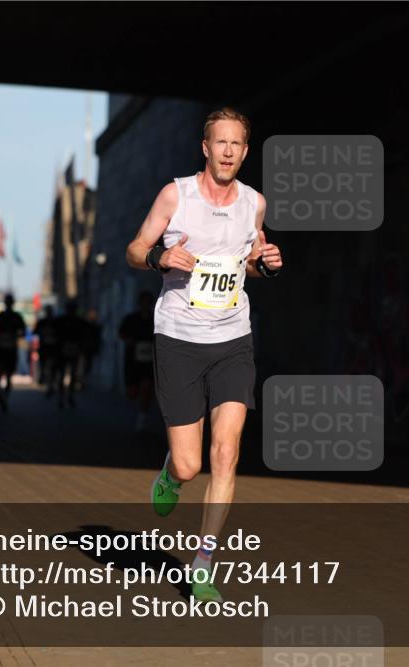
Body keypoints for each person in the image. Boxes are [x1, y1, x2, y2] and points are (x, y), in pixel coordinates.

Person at [125, 108, 282, 602]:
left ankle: (203, 564)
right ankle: (170, 475)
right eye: (221, 143)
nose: (229, 151)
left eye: (237, 144)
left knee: (227, 451)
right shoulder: (177, 195)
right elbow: (134, 248)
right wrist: (158, 257)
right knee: (192, 465)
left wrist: (267, 265)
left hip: (233, 338)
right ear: (205, 147)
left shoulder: (254, 204)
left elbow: (249, 265)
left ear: (245, 151)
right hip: (179, 338)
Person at [118, 290, 156, 431]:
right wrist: (128, 340)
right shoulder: (131, 319)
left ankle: (143, 415)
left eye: (148, 302)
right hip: (133, 359)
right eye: (143, 302)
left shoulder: (156, 318)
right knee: (132, 393)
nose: (146, 305)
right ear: (139, 303)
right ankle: (140, 405)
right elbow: (121, 332)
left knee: (147, 385)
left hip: (149, 360)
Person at [0, 294, 27, 412]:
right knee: (6, 374)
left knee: (4, 373)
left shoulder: (3, 316)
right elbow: (23, 331)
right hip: (6, 348)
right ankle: (3, 395)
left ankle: (1, 394)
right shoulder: (15, 316)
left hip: (5, 348)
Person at [50, 300, 86, 408]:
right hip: (62, 351)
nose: (71, 312)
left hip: (73, 351)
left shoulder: (78, 322)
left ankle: (69, 396)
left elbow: (84, 335)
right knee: (63, 374)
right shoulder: (61, 321)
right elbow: (53, 334)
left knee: (73, 374)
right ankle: (63, 397)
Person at [34, 305, 58, 386]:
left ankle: (47, 378)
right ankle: (43, 376)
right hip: (45, 348)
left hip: (52, 348)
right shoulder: (43, 322)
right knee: (43, 363)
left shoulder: (55, 322)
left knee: (50, 364)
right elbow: (35, 332)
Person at [81, 308, 102, 386]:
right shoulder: (86, 325)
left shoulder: (94, 326)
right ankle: (83, 381)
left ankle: (85, 381)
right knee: (85, 366)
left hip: (89, 349)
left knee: (88, 365)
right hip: (85, 349)